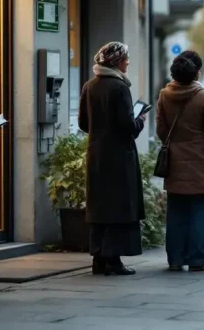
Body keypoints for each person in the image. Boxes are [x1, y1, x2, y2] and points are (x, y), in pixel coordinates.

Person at [79, 42, 147, 276]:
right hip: (119, 156)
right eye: (125, 58)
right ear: (116, 62)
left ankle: (99, 259)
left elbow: (83, 123)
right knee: (119, 207)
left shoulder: (89, 85)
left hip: (96, 154)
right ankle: (113, 260)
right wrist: (140, 120)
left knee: (100, 207)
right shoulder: (119, 87)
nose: (128, 61)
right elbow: (128, 127)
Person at [157, 51, 204, 272]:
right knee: (202, 210)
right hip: (201, 161)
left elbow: (161, 129)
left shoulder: (164, 95)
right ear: (196, 74)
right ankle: (199, 258)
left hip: (175, 160)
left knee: (176, 211)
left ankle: (175, 258)